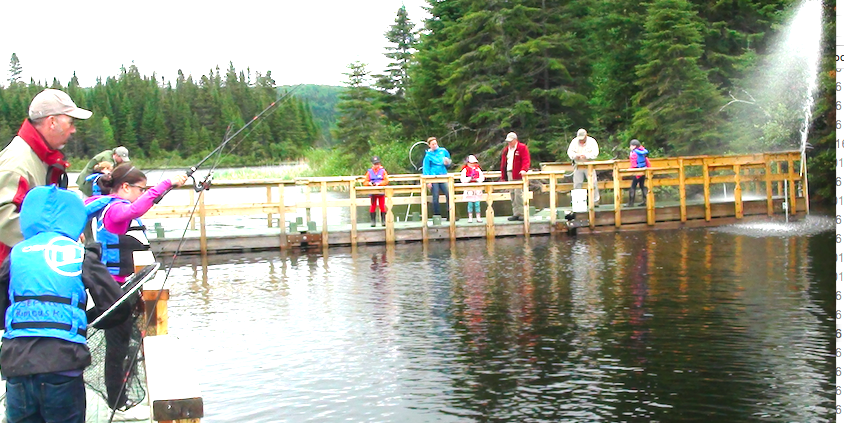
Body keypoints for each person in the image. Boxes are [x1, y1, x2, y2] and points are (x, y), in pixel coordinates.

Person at [0, 185, 130, 423]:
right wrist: (84, 320)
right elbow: (117, 307)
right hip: (62, 362)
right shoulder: (81, 254)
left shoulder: (16, 254)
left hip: (16, 363)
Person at [84, 164, 188, 411]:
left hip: (118, 286)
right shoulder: (116, 209)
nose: (143, 194)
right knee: (118, 344)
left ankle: (117, 395)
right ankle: (116, 399)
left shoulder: (107, 204)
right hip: (114, 289)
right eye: (141, 189)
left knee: (120, 342)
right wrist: (167, 184)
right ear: (125, 187)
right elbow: (135, 209)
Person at [0, 89, 91, 263]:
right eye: (70, 122)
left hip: (27, 267)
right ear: (52, 122)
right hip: (11, 273)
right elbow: (4, 219)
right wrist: (57, 241)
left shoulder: (40, 157)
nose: (73, 130)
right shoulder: (17, 163)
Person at [499, 132, 531, 221]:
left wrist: (524, 169)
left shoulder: (522, 148)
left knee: (518, 194)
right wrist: (503, 176)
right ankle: (515, 213)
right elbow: (503, 163)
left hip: (518, 173)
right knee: (512, 193)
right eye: (508, 141)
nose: (509, 143)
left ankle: (521, 213)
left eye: (510, 141)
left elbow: (526, 160)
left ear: (515, 140)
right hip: (509, 172)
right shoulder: (506, 150)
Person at [567, 128, 600, 204]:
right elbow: (570, 152)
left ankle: (595, 201)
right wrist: (575, 156)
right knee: (577, 183)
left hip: (589, 165)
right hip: (578, 165)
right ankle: (577, 202)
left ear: (586, 136)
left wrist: (586, 156)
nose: (581, 140)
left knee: (593, 183)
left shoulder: (592, 141)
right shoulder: (574, 142)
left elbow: (595, 153)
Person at [422, 137, 452, 219]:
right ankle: (437, 216)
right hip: (433, 177)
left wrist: (447, 163)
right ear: (429, 145)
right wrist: (428, 181)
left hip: (443, 175)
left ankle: (450, 214)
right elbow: (426, 168)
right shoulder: (428, 156)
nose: (435, 145)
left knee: (449, 194)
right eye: (433, 144)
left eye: (435, 143)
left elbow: (449, 161)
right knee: (435, 196)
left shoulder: (443, 151)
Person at [363, 156, 389, 227]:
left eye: (377, 164)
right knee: (373, 206)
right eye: (375, 164)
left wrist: (379, 184)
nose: (376, 165)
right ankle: (373, 221)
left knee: (382, 206)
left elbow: (386, 180)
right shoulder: (369, 172)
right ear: (372, 164)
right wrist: (369, 183)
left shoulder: (383, 171)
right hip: (373, 192)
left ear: (379, 163)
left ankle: (383, 221)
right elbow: (365, 182)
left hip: (380, 191)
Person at [460, 155, 485, 223]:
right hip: (469, 189)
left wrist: (477, 179)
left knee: (477, 203)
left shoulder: (478, 169)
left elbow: (482, 178)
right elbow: (462, 179)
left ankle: (478, 217)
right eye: (471, 163)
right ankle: (470, 217)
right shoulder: (465, 170)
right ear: (468, 163)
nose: (473, 165)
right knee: (470, 204)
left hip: (477, 188)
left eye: (474, 163)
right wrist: (469, 178)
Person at [627, 139, 651, 207]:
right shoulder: (642, 151)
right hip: (643, 170)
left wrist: (629, 170)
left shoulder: (634, 153)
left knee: (633, 186)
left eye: (631, 145)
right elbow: (646, 161)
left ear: (634, 146)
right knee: (642, 185)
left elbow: (634, 164)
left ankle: (631, 203)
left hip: (637, 171)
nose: (630, 147)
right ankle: (645, 201)